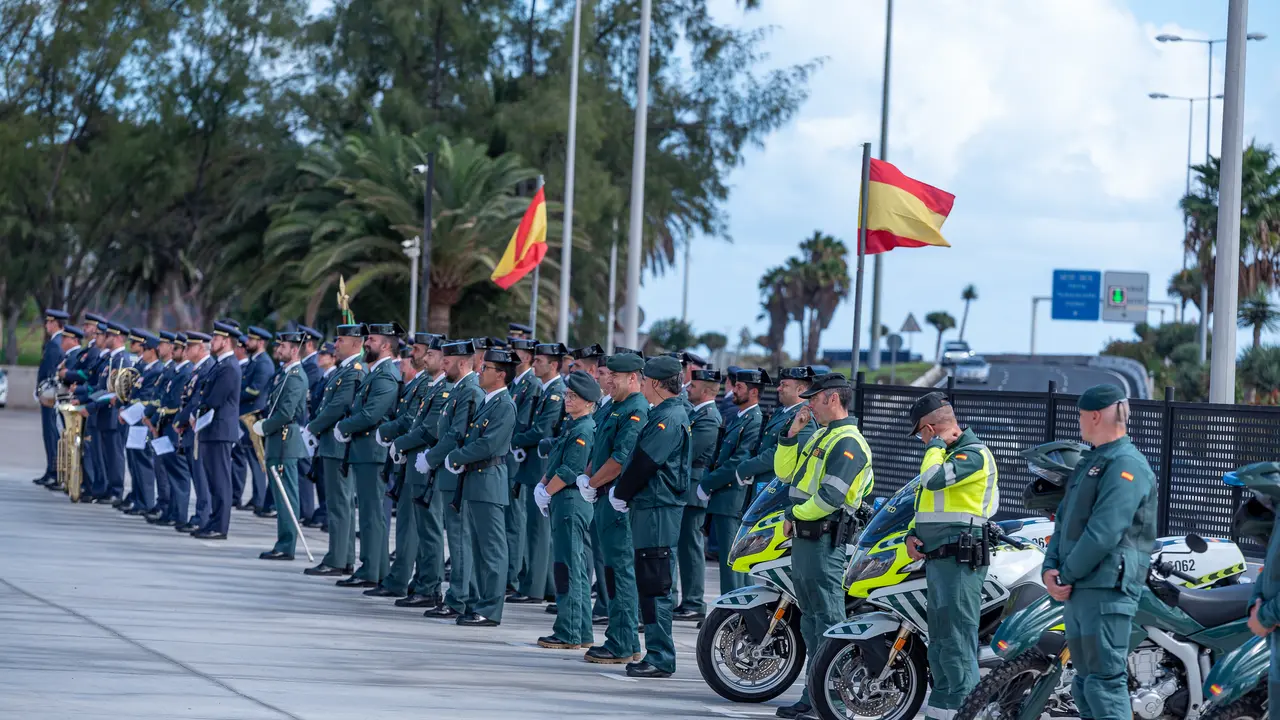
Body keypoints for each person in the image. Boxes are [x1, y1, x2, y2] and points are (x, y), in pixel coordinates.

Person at [1040, 385, 1155, 720]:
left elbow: (1104, 532)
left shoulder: (1126, 464)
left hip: (1106, 590)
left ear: (1094, 416)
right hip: (1080, 589)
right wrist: (1050, 567)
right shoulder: (1092, 462)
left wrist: (1064, 574)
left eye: (1080, 415)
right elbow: (1063, 521)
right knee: (1085, 685)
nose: (1078, 421)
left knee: (1104, 684)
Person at [774, 373, 875, 720]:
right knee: (811, 622)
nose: (809, 405)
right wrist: (791, 434)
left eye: (814, 399)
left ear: (833, 398)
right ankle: (814, 694)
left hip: (825, 540)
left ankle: (834, 701)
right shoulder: (821, 435)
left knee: (830, 622)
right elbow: (785, 474)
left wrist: (794, 514)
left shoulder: (848, 441)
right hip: (806, 539)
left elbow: (831, 496)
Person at [902, 391, 1001, 720]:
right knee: (941, 643)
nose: (920, 441)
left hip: (960, 561)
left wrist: (933, 447)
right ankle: (940, 713)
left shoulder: (973, 454)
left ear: (930, 429)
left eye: (921, 434)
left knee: (957, 643)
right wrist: (911, 534)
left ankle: (967, 713)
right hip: (939, 560)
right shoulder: (947, 455)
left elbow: (931, 482)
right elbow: (927, 504)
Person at [608, 355, 692, 679]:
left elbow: (645, 463)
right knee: (649, 580)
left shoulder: (668, 418)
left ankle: (660, 656)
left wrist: (620, 492)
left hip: (658, 509)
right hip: (651, 508)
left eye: (644, 380)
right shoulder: (664, 413)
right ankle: (655, 653)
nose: (641, 384)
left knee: (656, 582)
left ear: (655, 383)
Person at [581, 350, 649, 664]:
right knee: (612, 571)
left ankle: (620, 643)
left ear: (633, 378)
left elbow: (620, 459)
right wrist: (588, 478)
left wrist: (592, 483)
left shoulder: (636, 409)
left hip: (616, 501)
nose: (607, 381)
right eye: (607, 375)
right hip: (604, 496)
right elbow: (600, 450)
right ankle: (626, 640)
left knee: (619, 572)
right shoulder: (615, 407)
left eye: (614, 377)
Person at [442, 346, 519, 627]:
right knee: (478, 548)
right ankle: (477, 602)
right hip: (476, 480)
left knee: (492, 550)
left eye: (485, 368)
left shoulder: (504, 405)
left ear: (500, 375)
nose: (480, 372)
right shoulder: (489, 401)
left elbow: (488, 444)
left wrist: (456, 457)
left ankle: (489, 609)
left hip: (489, 481)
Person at [534, 370, 600, 649]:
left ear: (589, 402)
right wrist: (543, 486)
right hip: (565, 501)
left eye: (574, 396)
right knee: (575, 568)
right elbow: (557, 463)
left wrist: (546, 492)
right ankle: (581, 630)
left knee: (568, 568)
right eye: (567, 394)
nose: (567, 399)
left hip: (570, 502)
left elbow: (571, 469)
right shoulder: (574, 426)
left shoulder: (583, 429)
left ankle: (568, 631)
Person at [367, 334, 436, 598]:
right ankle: (409, 579)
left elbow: (411, 420)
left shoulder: (428, 384)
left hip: (418, 459)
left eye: (417, 350)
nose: (412, 354)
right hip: (409, 459)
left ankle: (403, 579)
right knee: (408, 523)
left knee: (412, 525)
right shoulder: (421, 382)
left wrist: (388, 433)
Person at [384, 334, 452, 605]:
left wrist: (400, 442)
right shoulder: (432, 386)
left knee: (430, 528)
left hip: (429, 468)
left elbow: (430, 428)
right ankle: (422, 581)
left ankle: (430, 586)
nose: (424, 358)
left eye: (431, 354)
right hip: (417, 466)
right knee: (423, 528)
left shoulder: (444, 389)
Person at [334, 322, 402, 589]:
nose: (366, 343)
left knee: (373, 515)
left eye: (371, 340)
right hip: (365, 452)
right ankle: (375, 568)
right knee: (370, 514)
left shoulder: (385, 375)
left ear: (385, 345)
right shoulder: (376, 372)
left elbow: (371, 414)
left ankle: (371, 570)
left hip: (373, 453)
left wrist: (344, 426)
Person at [421, 339, 484, 619]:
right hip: (450, 472)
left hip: (458, 474)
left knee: (459, 538)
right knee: (458, 537)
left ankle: (458, 599)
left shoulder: (469, 391)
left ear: (461, 362)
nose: (442, 365)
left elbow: (456, 435)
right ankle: (464, 596)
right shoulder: (459, 389)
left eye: (446, 361)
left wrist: (431, 457)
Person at [697, 367, 766, 594]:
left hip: (733, 498)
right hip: (725, 498)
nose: (733, 390)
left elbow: (739, 460)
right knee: (732, 560)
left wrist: (707, 483)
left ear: (753, 392)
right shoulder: (740, 417)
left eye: (739, 387)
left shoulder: (754, 420)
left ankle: (732, 609)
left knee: (732, 562)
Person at [511, 342, 569, 604]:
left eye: (539, 361)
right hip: (534, 464)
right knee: (536, 528)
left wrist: (513, 440)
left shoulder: (556, 392)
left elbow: (542, 431)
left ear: (553, 365)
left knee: (538, 529)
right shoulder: (546, 390)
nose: (534, 364)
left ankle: (533, 588)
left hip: (542, 466)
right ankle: (544, 585)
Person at [305, 326, 365, 577]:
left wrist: (313, 427)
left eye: (340, 340)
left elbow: (338, 406)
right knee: (340, 504)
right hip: (332, 443)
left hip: (339, 444)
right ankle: (344, 557)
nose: (336, 345)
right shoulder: (344, 369)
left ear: (355, 344)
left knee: (339, 504)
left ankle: (337, 559)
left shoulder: (354, 371)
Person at [252, 330, 309, 560]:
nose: (278, 349)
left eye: (283, 346)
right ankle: (283, 541)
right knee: (280, 494)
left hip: (285, 440)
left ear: (294, 350)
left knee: (287, 495)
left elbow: (286, 412)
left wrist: (265, 426)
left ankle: (286, 545)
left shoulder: (295, 376)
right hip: (278, 440)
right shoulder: (285, 374)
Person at [673, 366, 724, 622]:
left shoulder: (710, 417)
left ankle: (693, 602)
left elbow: (689, 451)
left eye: (692, 386)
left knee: (690, 547)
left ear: (705, 391)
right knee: (682, 546)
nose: (687, 389)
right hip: (686, 486)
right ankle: (685, 600)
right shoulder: (696, 412)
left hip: (694, 489)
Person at [190, 321, 244, 540]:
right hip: (212, 429)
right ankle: (212, 522)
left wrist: (196, 413)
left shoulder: (229, 366)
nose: (212, 342)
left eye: (216, 338)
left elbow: (214, 398)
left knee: (220, 480)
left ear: (226, 341)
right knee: (213, 480)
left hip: (220, 430)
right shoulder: (220, 364)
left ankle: (220, 527)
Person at [736, 366, 817, 500]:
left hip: (777, 488)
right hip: (763, 485)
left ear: (800, 389)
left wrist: (747, 467)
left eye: (784, 385)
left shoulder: (805, 418)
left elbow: (778, 452)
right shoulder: (781, 412)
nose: (778, 388)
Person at [504, 337, 544, 593]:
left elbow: (524, 424)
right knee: (511, 519)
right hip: (511, 457)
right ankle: (512, 573)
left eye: (516, 352)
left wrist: (507, 437)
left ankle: (514, 576)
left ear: (528, 357)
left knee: (516, 521)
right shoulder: (516, 384)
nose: (511, 355)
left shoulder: (532, 385)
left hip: (520, 459)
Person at [120, 330, 164, 516]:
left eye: (145, 349)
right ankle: (139, 500)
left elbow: (145, 399)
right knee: (135, 461)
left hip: (141, 421)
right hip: (135, 419)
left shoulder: (156, 371)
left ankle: (145, 502)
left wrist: (128, 411)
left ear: (152, 351)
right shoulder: (147, 370)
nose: (142, 353)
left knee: (143, 462)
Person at [174, 332, 214, 532]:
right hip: (190, 429)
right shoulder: (197, 369)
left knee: (201, 476)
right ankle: (201, 514)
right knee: (196, 475)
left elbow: (197, 400)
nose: (186, 350)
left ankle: (203, 516)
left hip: (198, 428)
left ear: (201, 348)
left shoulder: (207, 368)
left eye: (189, 347)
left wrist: (180, 419)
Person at [152, 333, 193, 527]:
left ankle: (180, 514)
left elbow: (176, 403)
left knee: (179, 473)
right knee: (169, 470)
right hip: (166, 425)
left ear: (184, 351)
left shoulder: (185, 372)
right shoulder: (176, 372)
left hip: (174, 425)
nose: (173, 351)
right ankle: (171, 511)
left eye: (176, 348)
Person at [34, 308, 70, 486]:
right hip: (50, 393)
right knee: (49, 432)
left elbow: (49, 371)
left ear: (56, 324)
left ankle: (54, 472)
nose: (46, 325)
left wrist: (41, 390)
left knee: (51, 432)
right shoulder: (56, 342)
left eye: (49, 322)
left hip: (51, 394)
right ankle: (51, 470)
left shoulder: (55, 344)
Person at [303, 341, 336, 529]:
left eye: (324, 355)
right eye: (320, 354)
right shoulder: (323, 378)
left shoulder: (333, 378)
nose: (320, 357)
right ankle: (323, 512)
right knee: (321, 476)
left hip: (325, 433)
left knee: (326, 478)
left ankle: (326, 514)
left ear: (333, 358)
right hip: (317, 433)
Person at [296, 326, 325, 522]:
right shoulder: (306, 365)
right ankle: (304, 510)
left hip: (307, 423)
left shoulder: (312, 367)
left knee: (305, 467)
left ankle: (306, 509)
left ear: (307, 345)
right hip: (305, 424)